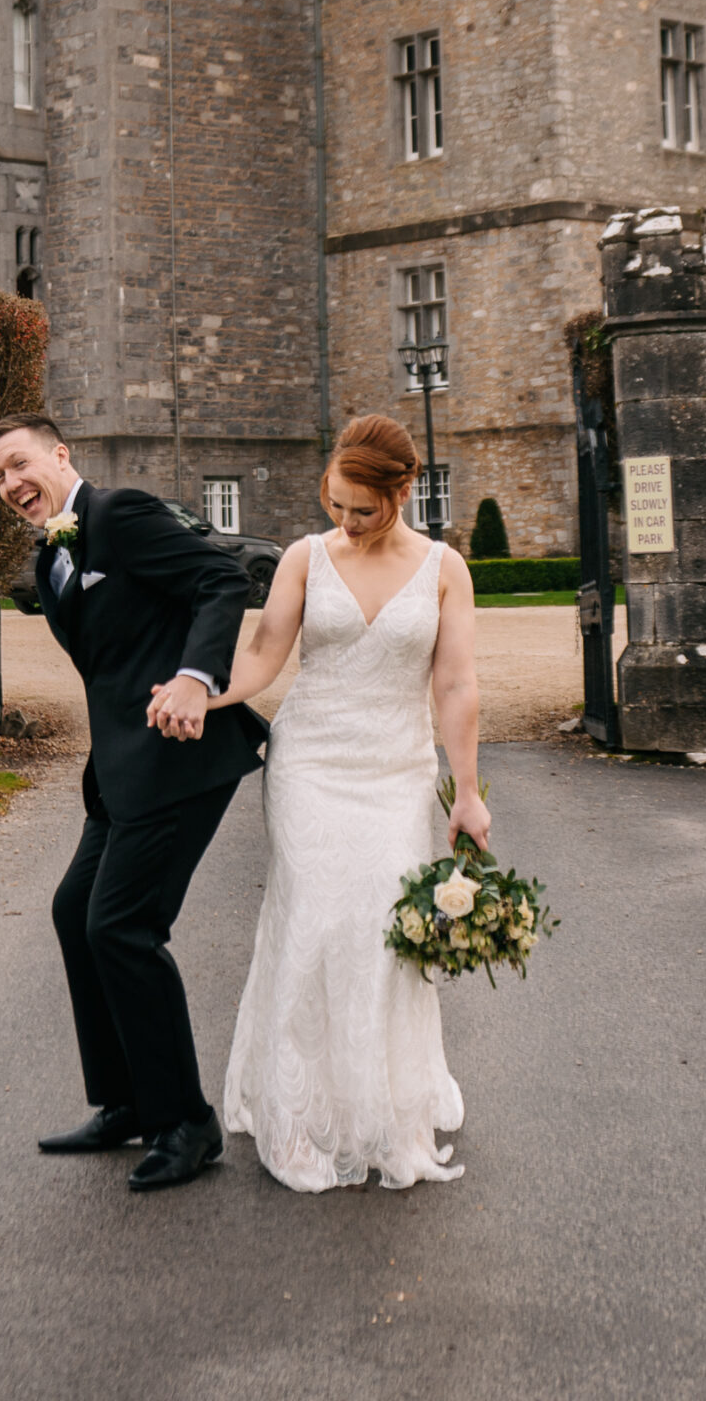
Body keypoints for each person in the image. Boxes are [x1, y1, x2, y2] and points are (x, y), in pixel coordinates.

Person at [192, 412, 489, 1193]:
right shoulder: (302, 558)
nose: (348, 523)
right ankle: (296, 1117)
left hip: (393, 770)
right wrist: (204, 695)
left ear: (403, 491)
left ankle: (382, 1110)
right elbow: (263, 654)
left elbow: (455, 684)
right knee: (314, 919)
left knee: (382, 929)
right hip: (310, 766)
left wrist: (467, 793)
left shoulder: (443, 568)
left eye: (365, 509)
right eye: (336, 506)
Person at [0, 412, 267, 1191]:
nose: (10, 486)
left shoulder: (123, 513)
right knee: (76, 913)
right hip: (117, 772)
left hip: (181, 760)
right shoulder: (50, 565)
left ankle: (186, 1122)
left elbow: (221, 578)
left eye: (18, 464)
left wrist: (194, 677)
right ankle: (126, 1102)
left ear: (59, 455)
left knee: (123, 928)